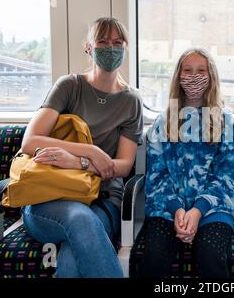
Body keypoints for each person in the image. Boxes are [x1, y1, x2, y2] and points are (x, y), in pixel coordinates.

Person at [20, 17, 143, 278]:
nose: (110, 47)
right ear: (88, 47)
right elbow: (30, 142)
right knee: (80, 220)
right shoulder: (69, 86)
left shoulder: (131, 101)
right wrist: (91, 151)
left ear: (125, 48)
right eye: (102, 41)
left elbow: (123, 166)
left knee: (73, 257)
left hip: (104, 197)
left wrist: (78, 162)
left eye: (117, 42)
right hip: (49, 195)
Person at [134, 48, 234, 278]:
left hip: (213, 209)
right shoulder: (163, 123)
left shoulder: (225, 122)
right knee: (153, 256)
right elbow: (157, 176)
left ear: (211, 76)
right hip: (167, 209)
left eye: (201, 70)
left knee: (211, 256)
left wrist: (197, 210)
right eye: (188, 70)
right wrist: (178, 210)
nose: (194, 76)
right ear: (178, 76)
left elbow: (228, 178)